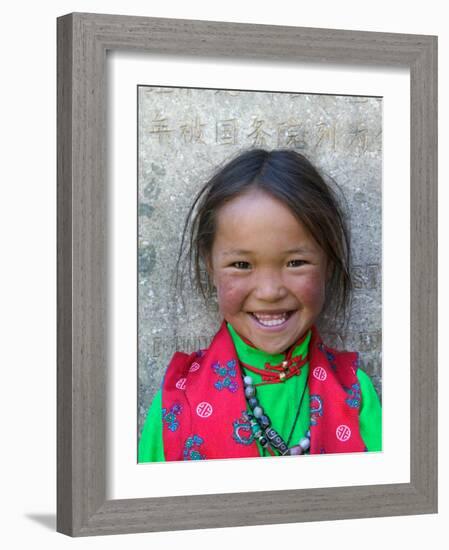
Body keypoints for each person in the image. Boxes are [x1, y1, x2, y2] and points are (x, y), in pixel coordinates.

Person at [138, 148, 382, 462]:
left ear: (329, 265)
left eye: (296, 262)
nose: (269, 291)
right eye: (241, 265)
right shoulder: (177, 402)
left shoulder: (354, 395)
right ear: (209, 265)